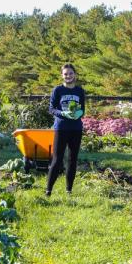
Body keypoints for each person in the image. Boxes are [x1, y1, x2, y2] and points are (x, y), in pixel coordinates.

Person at [46, 63, 85, 196]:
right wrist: (63, 114)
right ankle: (48, 191)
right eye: (65, 74)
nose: (68, 76)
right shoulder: (58, 90)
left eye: (70, 73)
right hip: (61, 128)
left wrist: (78, 114)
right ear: (62, 76)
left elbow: (83, 110)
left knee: (73, 159)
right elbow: (51, 109)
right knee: (57, 159)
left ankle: (69, 190)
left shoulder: (80, 91)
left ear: (75, 75)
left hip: (76, 129)